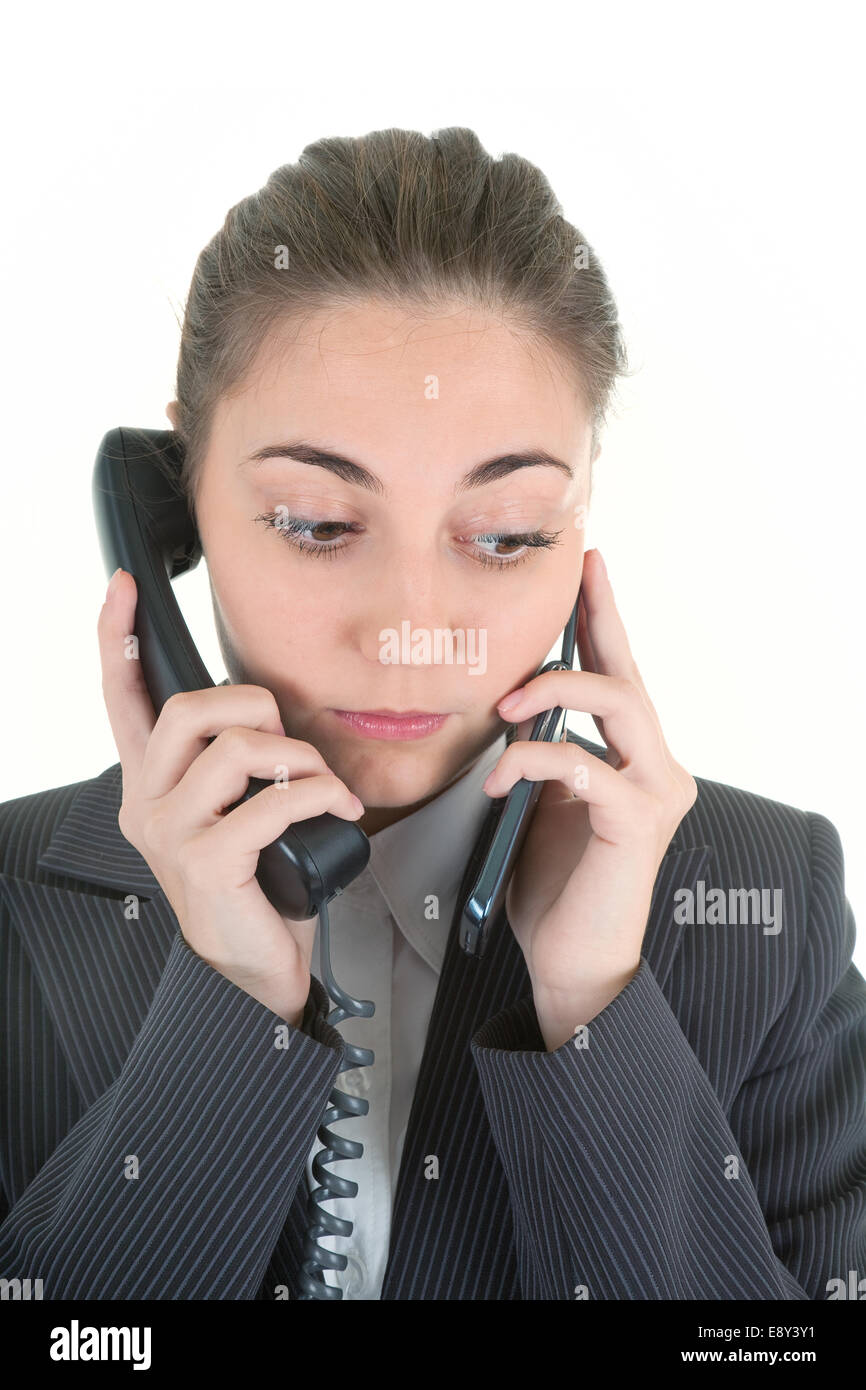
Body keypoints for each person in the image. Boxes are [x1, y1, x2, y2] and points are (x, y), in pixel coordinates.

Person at [1, 127, 863, 1301]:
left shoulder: (770, 908)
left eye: (503, 536)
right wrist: (227, 1002)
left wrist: (593, 1009)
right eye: (316, 522)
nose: (413, 630)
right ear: (173, 511)